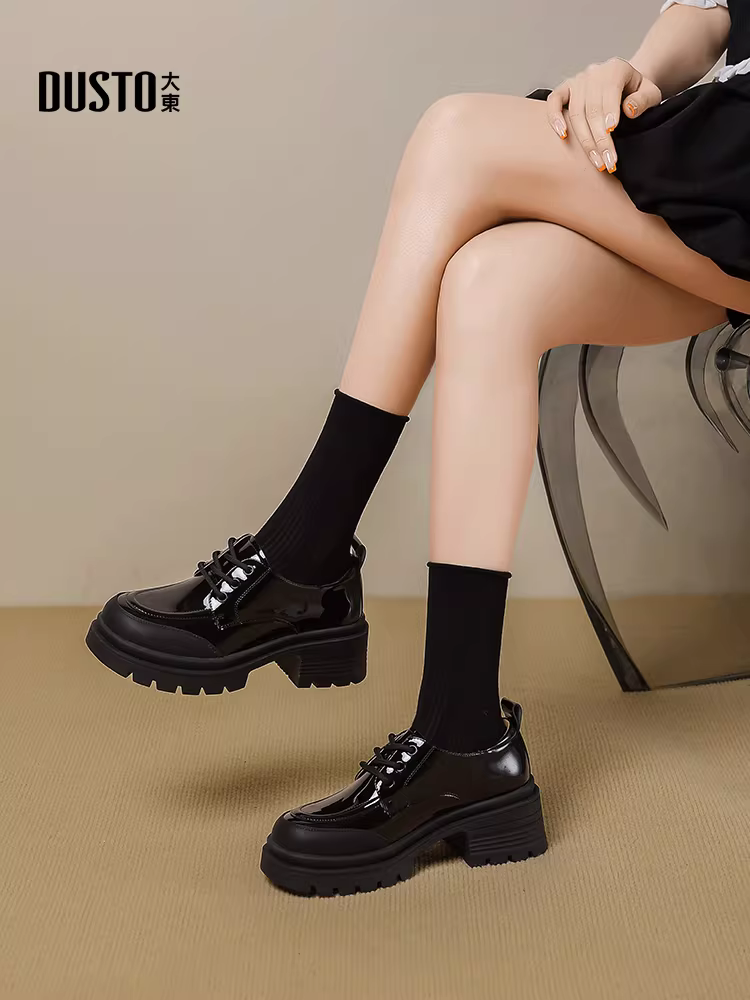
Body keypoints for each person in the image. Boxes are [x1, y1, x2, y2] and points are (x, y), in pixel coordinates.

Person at [86, 0, 750, 895]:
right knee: (488, 288)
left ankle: (304, 559)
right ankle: (464, 742)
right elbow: (715, 12)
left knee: (456, 136)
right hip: (717, 180)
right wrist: (638, 76)